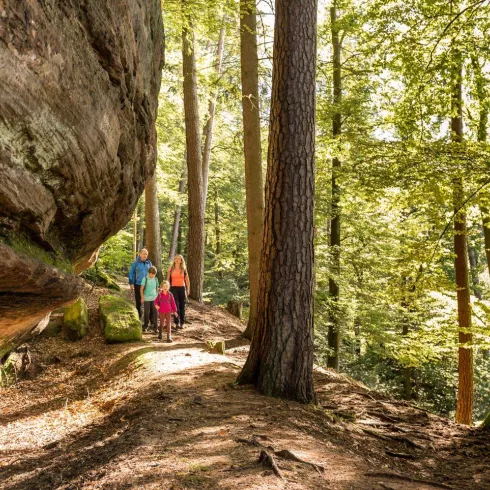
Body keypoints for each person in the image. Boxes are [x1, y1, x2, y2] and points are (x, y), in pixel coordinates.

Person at [167, 254, 190, 329]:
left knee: (182, 306)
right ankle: (177, 322)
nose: (177, 260)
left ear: (181, 261)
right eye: (176, 258)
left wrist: (188, 289)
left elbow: (187, 280)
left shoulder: (184, 269)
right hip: (173, 288)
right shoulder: (171, 268)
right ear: (174, 260)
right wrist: (166, 288)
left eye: (179, 259)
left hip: (182, 288)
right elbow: (167, 279)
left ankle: (182, 323)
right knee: (175, 305)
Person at [128, 248, 152, 319]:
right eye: (143, 254)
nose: (145, 255)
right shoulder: (136, 262)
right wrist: (131, 283)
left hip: (147, 284)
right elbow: (131, 272)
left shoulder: (149, 263)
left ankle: (148, 318)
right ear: (140, 254)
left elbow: (152, 273)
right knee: (138, 301)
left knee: (148, 301)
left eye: (146, 254)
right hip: (138, 284)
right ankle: (139, 316)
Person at [141, 266, 159, 332]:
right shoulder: (145, 279)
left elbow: (157, 289)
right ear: (148, 273)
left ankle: (155, 327)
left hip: (154, 298)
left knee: (155, 313)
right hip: (146, 298)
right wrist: (142, 297)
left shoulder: (156, 279)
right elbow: (141, 289)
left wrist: (158, 295)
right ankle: (145, 325)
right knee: (146, 312)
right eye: (150, 273)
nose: (152, 275)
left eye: (153, 274)